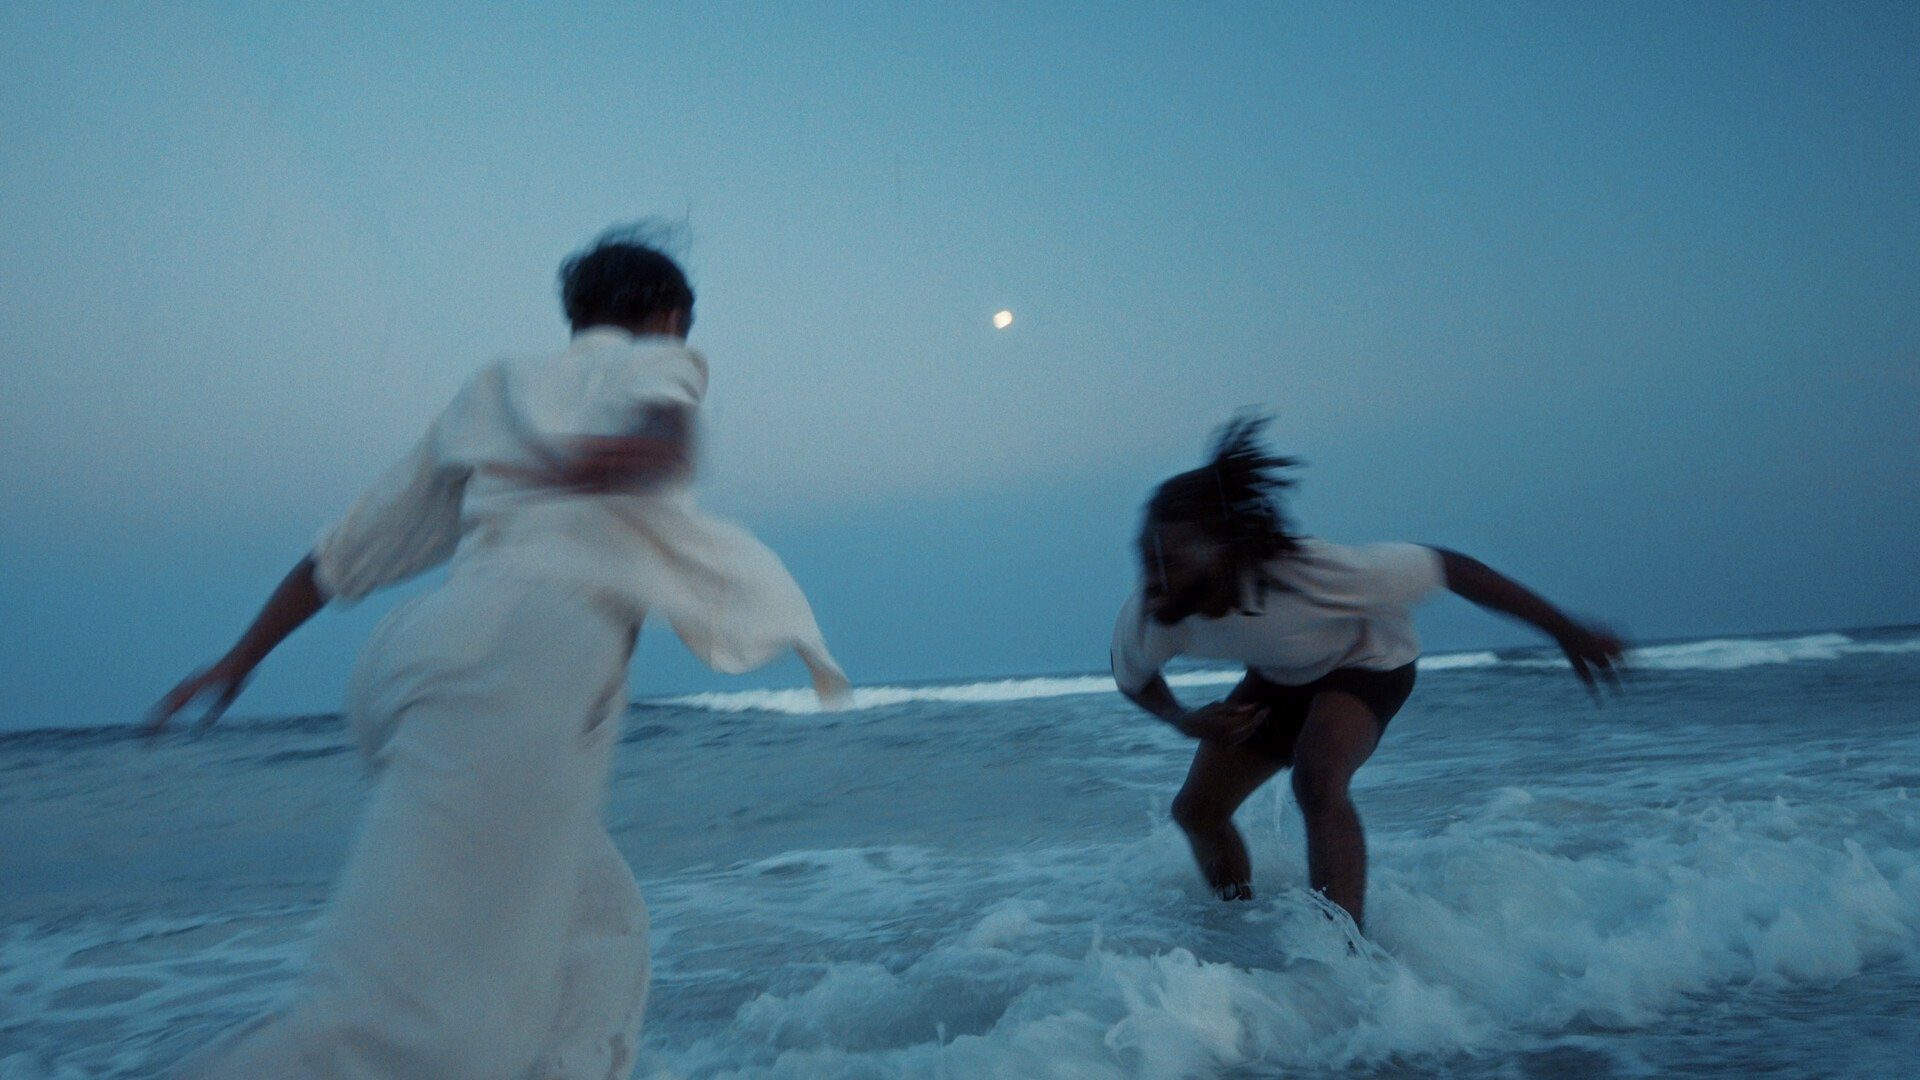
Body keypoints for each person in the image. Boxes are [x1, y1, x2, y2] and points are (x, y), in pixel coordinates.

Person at [147, 224, 849, 1079]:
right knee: (404, 1035)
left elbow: (339, 558)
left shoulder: (498, 389)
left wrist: (239, 658)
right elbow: (666, 432)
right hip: (519, 666)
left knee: (600, 938)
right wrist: (606, 460)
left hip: (418, 666)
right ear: (668, 317)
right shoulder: (650, 363)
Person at [1112, 415, 1622, 928]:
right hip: (1279, 676)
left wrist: (1565, 630)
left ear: (1226, 555)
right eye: (1145, 559)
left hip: (1370, 661)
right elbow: (1134, 679)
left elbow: (1447, 567)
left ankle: (1343, 953)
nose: (1153, 579)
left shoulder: (1312, 574)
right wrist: (1184, 719)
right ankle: (1238, 926)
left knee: (1318, 779)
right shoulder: (1156, 612)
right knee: (1197, 811)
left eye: (1171, 563)